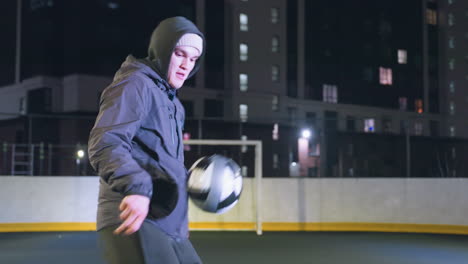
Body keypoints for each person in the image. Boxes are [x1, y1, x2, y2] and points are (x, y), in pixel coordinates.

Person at [88, 16, 205, 264]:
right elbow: (106, 142)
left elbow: (163, 162)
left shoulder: (174, 105)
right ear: (163, 51)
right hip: (132, 216)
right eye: (180, 54)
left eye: (193, 59)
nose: (186, 65)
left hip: (165, 221)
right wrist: (135, 188)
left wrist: (180, 217)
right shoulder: (135, 84)